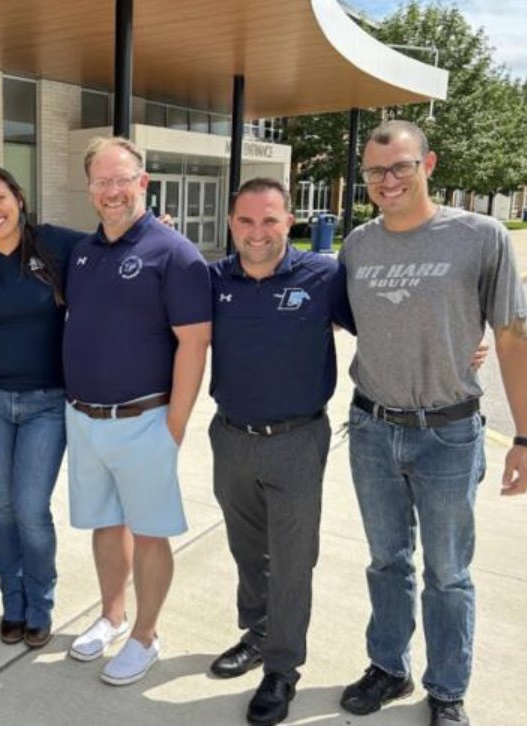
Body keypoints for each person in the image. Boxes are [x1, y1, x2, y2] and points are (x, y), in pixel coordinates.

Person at [338, 120, 527, 727]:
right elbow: (358, 323)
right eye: (375, 171)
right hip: (372, 427)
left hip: (448, 434)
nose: (387, 180)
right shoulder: (357, 244)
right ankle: (388, 667)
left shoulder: (481, 236)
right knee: (385, 561)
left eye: (400, 166)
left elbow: (512, 334)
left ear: (428, 165)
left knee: (448, 574)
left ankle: (447, 688)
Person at [62, 136, 212, 685]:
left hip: (145, 419)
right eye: (101, 181)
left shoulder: (174, 253)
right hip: (85, 418)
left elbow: (194, 344)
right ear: (90, 189)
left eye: (122, 179)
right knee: (106, 525)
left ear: (142, 182)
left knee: (150, 532)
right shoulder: (81, 253)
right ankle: (111, 616)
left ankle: (145, 636)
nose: (112, 191)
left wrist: (173, 427)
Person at [207, 178, 354, 724]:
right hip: (229, 436)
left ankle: (282, 669)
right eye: (245, 221)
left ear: (289, 220)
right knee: (249, 553)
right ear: (231, 225)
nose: (257, 232)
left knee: (292, 563)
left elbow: (381, 324)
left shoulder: (324, 274)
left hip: (296, 440)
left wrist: (462, 343)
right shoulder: (214, 280)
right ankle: (258, 633)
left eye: (269, 220)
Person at [0, 167, 85, 648]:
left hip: (47, 404)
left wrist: (158, 232)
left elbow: (114, 248)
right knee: (4, 508)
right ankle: (12, 603)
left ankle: (41, 603)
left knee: (31, 509)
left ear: (19, 198)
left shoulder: (55, 246)